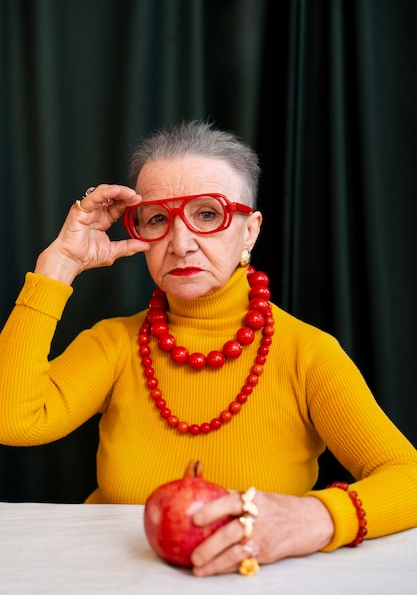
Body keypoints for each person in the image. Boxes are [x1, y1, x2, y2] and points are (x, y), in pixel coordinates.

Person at [1, 120, 417, 578]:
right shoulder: (113, 344)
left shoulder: (308, 354)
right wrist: (56, 267)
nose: (180, 244)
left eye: (207, 214)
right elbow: (12, 420)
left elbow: (407, 476)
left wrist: (318, 517)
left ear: (250, 231)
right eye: (158, 218)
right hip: (113, 579)